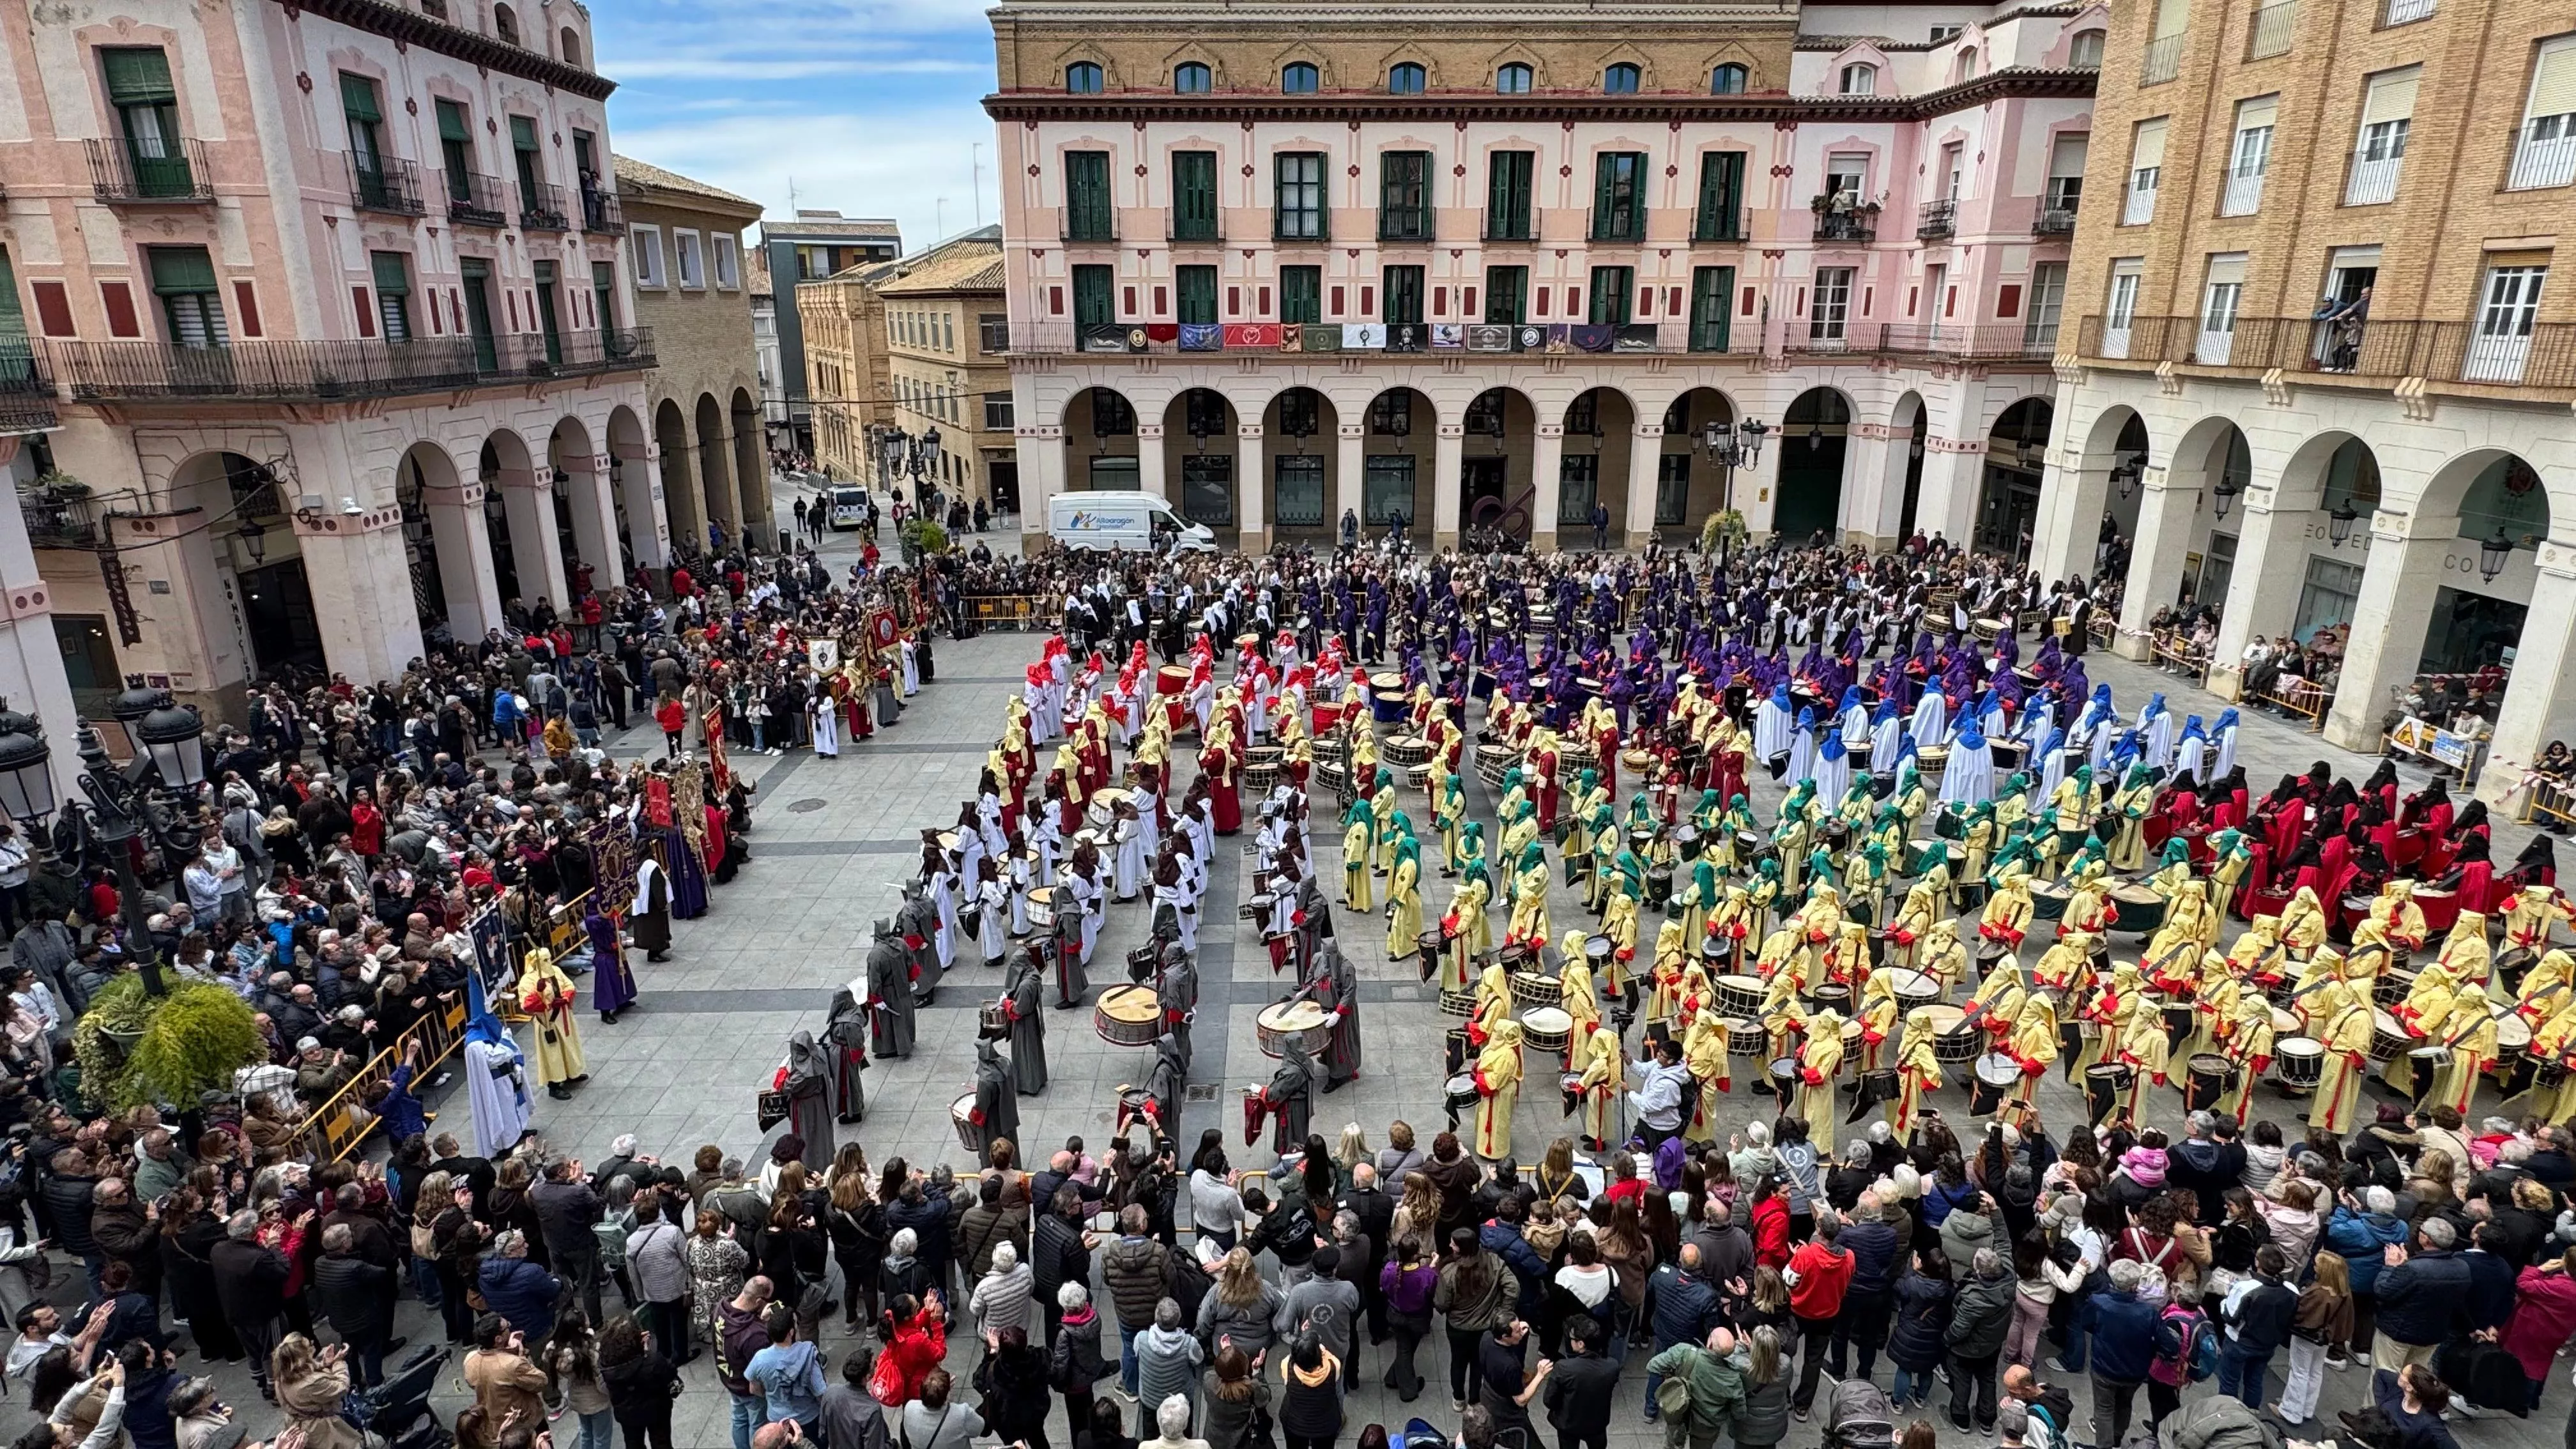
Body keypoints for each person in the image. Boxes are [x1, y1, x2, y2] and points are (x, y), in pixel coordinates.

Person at [600, 1312, 684, 1449]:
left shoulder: (607, 1365)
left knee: (633, 1443)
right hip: (657, 1409)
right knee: (661, 1442)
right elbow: (669, 1372)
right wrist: (647, 1351)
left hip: (627, 1413)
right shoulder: (653, 1361)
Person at [1543, 1312, 1620, 1449]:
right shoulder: (1612, 1366)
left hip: (1569, 1424)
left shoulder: (1564, 1368)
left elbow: (1549, 1400)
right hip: (1597, 1423)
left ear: (1580, 1344)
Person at [1277, 1331, 1344, 1449]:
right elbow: (1329, 1356)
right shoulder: (1334, 1366)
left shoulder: (1287, 1365)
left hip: (1294, 1422)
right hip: (1325, 1424)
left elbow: (1292, 1356)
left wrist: (1303, 1341)